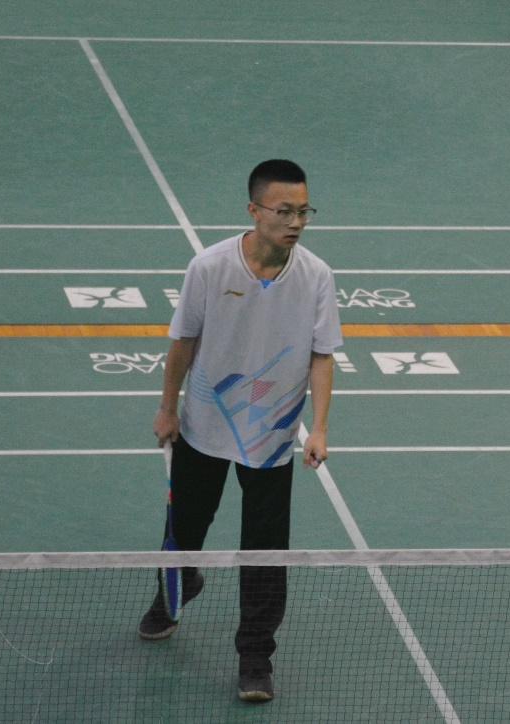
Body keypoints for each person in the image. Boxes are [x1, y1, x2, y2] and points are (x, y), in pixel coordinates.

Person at [138, 159, 342, 703]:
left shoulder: (316, 275)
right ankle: (174, 593)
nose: (295, 222)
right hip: (205, 424)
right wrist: (167, 409)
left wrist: (318, 429)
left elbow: (322, 355)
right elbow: (183, 342)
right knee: (184, 529)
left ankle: (255, 657)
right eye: (284, 211)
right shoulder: (209, 267)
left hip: (272, 435)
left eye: (304, 211)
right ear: (254, 210)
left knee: (266, 554)